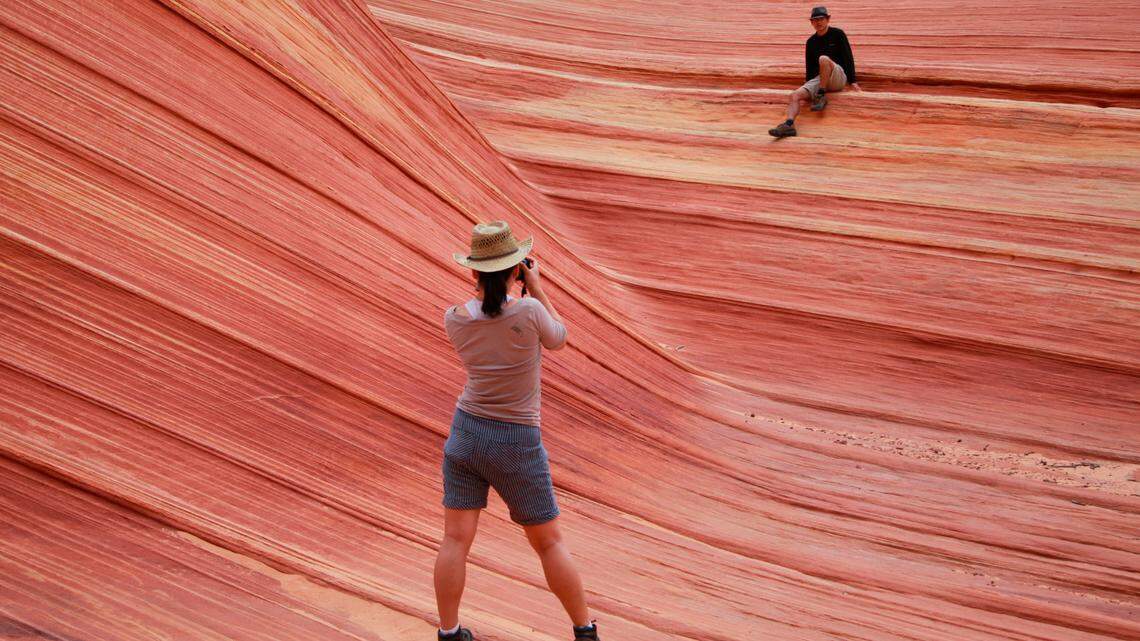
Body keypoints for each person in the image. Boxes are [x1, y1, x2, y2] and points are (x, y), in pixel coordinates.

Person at [434, 221, 599, 641]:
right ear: (515, 270)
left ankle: (449, 632)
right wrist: (537, 287)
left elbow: (489, 316)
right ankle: (585, 632)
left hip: (466, 433)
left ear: (474, 271)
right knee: (549, 543)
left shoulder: (454, 319)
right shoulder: (529, 311)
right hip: (516, 440)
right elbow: (559, 339)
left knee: (455, 540)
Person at [769, 6, 862, 138]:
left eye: (821, 19)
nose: (818, 22)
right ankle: (789, 125)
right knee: (794, 95)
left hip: (838, 77)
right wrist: (808, 86)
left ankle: (821, 95)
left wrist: (853, 81)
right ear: (811, 22)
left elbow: (848, 57)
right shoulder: (811, 42)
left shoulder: (838, 34)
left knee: (823, 59)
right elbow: (810, 66)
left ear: (828, 19)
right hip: (821, 78)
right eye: (815, 20)